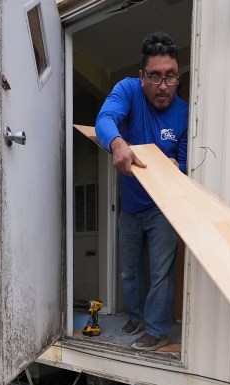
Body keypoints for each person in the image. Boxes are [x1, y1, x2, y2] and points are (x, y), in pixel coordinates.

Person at [95, 31, 188, 351]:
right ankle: (135, 315)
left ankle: (157, 329)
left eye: (171, 76)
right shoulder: (127, 90)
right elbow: (105, 119)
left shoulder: (183, 112)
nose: (164, 86)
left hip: (163, 206)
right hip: (132, 204)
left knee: (160, 272)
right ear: (142, 76)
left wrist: (179, 171)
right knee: (128, 269)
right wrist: (117, 142)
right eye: (156, 76)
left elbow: (186, 163)